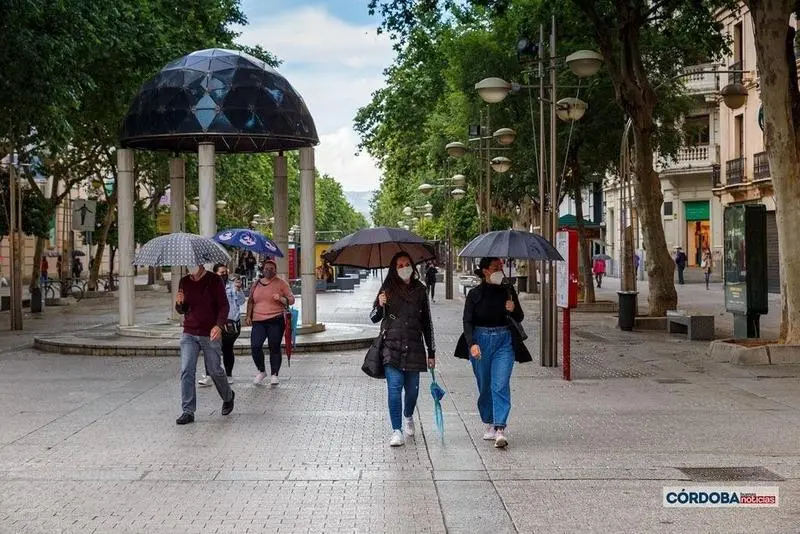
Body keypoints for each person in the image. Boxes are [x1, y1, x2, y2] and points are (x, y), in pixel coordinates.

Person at [455, 257, 531, 448]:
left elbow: (519, 316)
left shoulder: (508, 290)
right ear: (485, 271)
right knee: (485, 384)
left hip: (504, 341)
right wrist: (472, 343)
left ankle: (500, 428)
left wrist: (513, 309)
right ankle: (488, 421)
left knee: (500, 384)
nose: (500, 271)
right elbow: (467, 321)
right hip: (480, 341)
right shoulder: (474, 294)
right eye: (496, 267)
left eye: (501, 267)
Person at [370, 252, 435, 447]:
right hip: (391, 347)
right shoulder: (387, 289)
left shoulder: (420, 290)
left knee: (413, 391)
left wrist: (431, 352)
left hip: (414, 347)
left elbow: (427, 323)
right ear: (394, 269)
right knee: (394, 388)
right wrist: (380, 305)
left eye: (407, 264)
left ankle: (408, 415)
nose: (404, 267)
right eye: (400, 265)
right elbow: (373, 317)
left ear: (413, 267)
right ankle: (396, 429)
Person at [174, 263, 235, 425]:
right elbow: (183, 309)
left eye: (192, 263)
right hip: (189, 332)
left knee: (215, 370)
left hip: (210, 332)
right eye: (187, 264)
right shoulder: (184, 281)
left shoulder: (214, 280)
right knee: (187, 370)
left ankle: (228, 396)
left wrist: (219, 325)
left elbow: (224, 305)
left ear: (199, 264)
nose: (189, 267)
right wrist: (179, 304)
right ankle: (188, 411)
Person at [245, 259, 295, 386]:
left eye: (271, 269)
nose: (268, 271)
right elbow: (251, 300)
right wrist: (248, 315)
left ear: (275, 270)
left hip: (276, 319)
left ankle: (275, 374)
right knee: (255, 346)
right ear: (262, 269)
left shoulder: (281, 283)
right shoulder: (256, 283)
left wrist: (281, 299)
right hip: (258, 320)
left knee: (274, 346)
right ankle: (262, 371)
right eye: (266, 268)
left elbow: (291, 300)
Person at [198, 264, 246, 387]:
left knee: (227, 349)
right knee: (210, 349)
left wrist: (239, 290)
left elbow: (241, 302)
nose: (224, 274)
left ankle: (228, 374)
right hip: (213, 323)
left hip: (230, 323)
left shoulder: (232, 285)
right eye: (221, 272)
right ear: (215, 274)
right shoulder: (209, 286)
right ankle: (209, 375)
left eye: (225, 272)